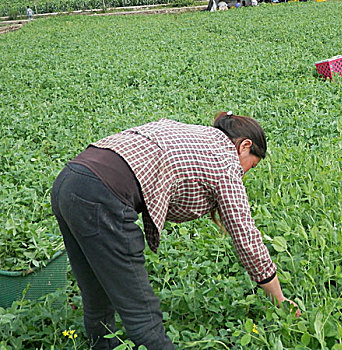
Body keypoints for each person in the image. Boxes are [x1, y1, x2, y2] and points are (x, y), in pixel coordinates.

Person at [51, 112, 300, 349]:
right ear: (245, 146)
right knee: (142, 315)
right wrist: (279, 298)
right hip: (102, 196)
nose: (244, 173)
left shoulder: (197, 136)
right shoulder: (226, 161)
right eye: (251, 166)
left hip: (70, 179)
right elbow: (247, 238)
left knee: (96, 293)